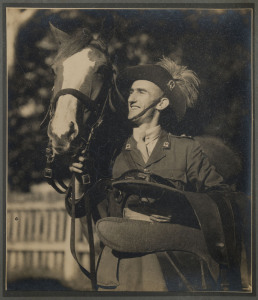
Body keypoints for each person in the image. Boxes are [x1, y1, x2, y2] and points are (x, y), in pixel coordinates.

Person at [69, 57, 242, 291]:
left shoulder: (186, 149)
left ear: (161, 104)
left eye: (141, 92)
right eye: (131, 92)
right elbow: (87, 211)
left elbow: (222, 198)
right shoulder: (113, 152)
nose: (131, 98)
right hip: (120, 269)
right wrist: (80, 184)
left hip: (173, 268)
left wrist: (176, 206)